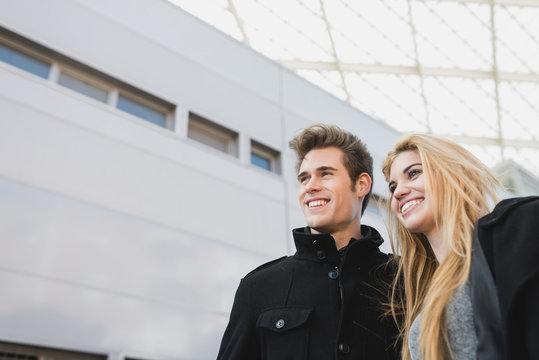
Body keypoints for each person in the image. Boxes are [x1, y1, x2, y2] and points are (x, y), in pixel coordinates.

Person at [217, 124, 400, 360]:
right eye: (304, 178)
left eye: (325, 173)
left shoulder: (407, 279)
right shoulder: (258, 287)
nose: (310, 186)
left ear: (361, 184)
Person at [382, 133, 539, 360]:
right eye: (392, 186)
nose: (398, 192)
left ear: (449, 174)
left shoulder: (512, 233)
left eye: (413, 173)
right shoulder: (421, 303)